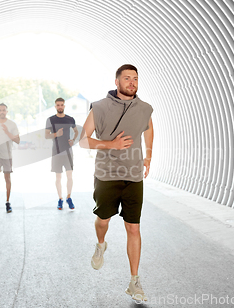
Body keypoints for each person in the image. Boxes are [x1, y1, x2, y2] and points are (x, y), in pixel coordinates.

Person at [80, 64, 153, 302]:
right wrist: (111, 145)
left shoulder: (144, 108)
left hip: (133, 175)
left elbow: (149, 128)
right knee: (103, 220)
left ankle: (134, 281)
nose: (132, 82)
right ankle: (101, 244)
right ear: (117, 82)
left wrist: (148, 156)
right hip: (107, 175)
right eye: (127, 78)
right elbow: (83, 141)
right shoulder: (99, 107)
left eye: (135, 79)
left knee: (134, 227)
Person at [45, 98, 79, 210]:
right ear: (55, 106)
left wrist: (73, 139)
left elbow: (76, 131)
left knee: (69, 175)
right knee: (58, 177)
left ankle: (69, 197)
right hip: (56, 152)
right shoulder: (50, 120)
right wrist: (56, 134)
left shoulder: (70, 119)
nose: (60, 107)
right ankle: (60, 199)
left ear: (64, 106)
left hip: (68, 151)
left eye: (61, 105)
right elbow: (46, 135)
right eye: (58, 105)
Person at [0, 103, 20, 213]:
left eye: (4, 110)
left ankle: (7, 202)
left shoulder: (12, 124)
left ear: (6, 111)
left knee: (7, 178)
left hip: (7, 155)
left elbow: (17, 140)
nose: (2, 112)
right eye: (0, 110)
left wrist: (7, 132)